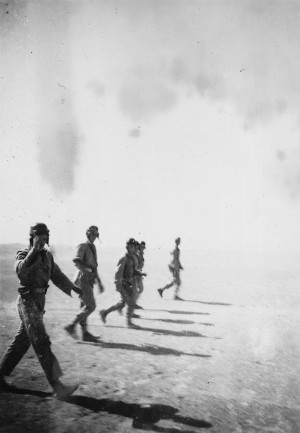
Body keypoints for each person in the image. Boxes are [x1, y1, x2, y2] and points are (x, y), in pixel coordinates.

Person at [0, 223, 82, 398]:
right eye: (41, 238)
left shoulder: (47, 256)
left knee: (22, 341)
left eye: (46, 238)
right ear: (33, 237)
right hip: (27, 301)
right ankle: (57, 386)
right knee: (42, 342)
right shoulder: (23, 254)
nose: (44, 241)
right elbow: (21, 271)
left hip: (38, 302)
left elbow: (57, 275)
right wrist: (33, 251)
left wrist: (73, 287)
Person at [64, 225, 105, 342]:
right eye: (92, 235)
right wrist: (88, 270)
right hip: (82, 279)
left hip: (89, 280)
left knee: (84, 306)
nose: (94, 237)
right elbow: (76, 261)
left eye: (96, 235)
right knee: (91, 306)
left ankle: (85, 334)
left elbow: (94, 267)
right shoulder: (83, 245)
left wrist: (100, 282)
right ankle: (71, 326)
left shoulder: (93, 247)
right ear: (88, 234)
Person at [100, 238, 146, 328]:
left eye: (134, 247)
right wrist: (118, 285)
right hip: (123, 285)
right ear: (128, 247)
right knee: (131, 302)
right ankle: (129, 323)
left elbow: (132, 271)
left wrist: (140, 273)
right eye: (132, 247)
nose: (134, 249)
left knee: (122, 303)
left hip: (128, 284)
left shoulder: (131, 258)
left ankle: (104, 313)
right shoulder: (124, 258)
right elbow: (118, 272)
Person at [134, 241, 146, 310]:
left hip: (139, 274)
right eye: (142, 246)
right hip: (136, 274)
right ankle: (133, 303)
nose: (143, 248)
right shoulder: (138, 254)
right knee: (138, 289)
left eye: (144, 247)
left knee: (140, 289)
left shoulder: (141, 254)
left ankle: (133, 303)